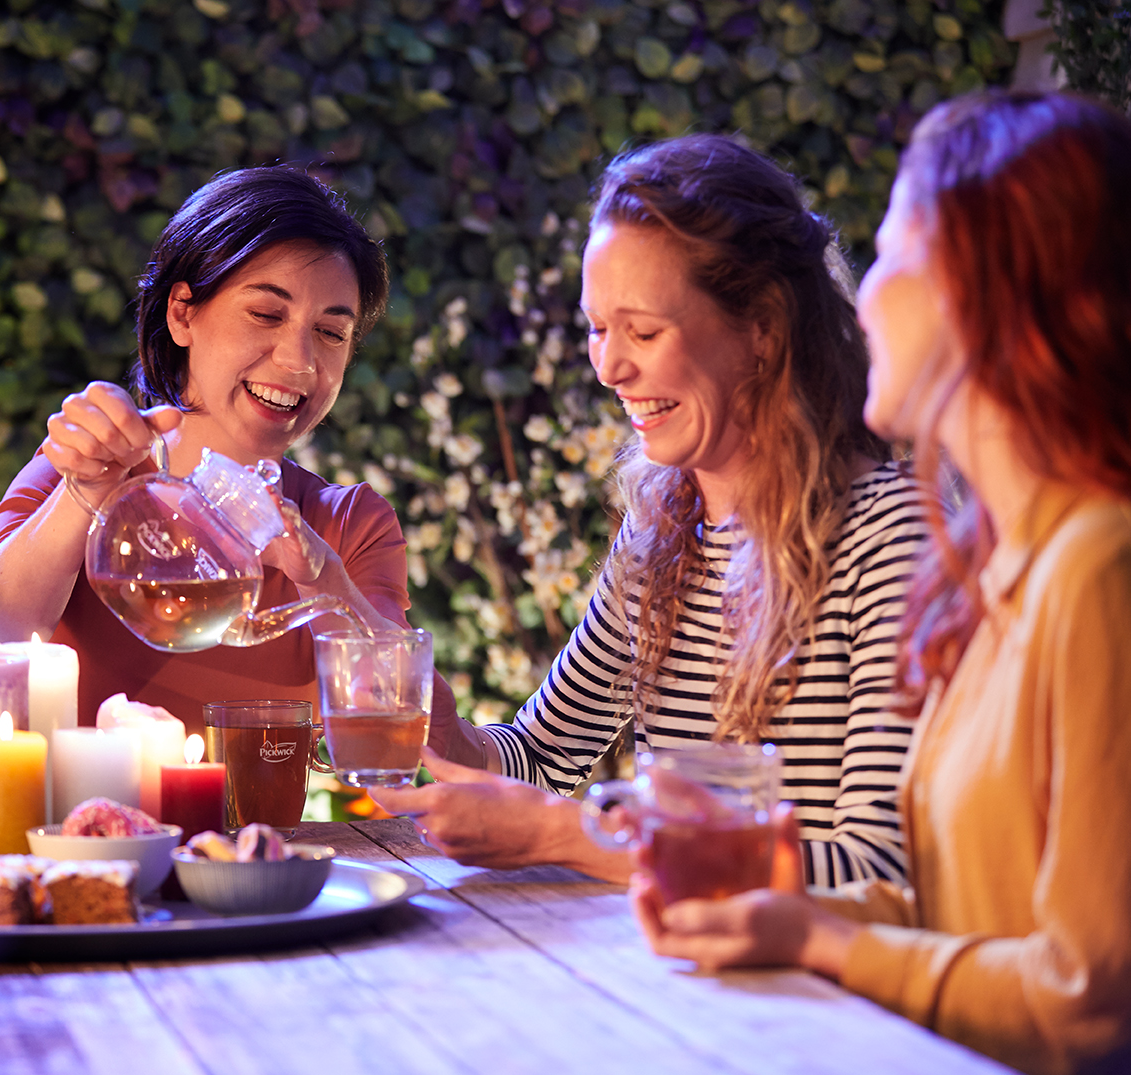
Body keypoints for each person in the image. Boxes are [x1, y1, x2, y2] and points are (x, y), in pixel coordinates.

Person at [626, 92, 1131, 1074]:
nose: (857, 298)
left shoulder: (1097, 569)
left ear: (991, 287)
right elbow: (949, 912)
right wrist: (775, 908)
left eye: (893, 252)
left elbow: (1088, 1004)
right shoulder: (996, 569)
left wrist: (820, 941)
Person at [375, 134, 927, 888]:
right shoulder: (663, 531)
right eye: (597, 327)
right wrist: (438, 726)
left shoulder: (884, 534)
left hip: (811, 997)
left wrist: (568, 836)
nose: (608, 366)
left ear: (761, 330)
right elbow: (540, 755)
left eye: (642, 330)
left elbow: (877, 871)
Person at [0, 167, 419, 730]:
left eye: (331, 332)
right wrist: (84, 495)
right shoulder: (81, 466)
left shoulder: (348, 527)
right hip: (76, 821)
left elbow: (400, 722)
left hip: (259, 824)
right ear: (182, 314)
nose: (299, 360)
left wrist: (321, 577)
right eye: (267, 314)